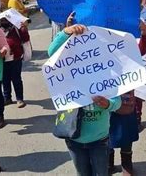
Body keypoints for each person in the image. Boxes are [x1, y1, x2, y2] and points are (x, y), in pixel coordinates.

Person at [48, 24, 121, 176]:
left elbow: (117, 103)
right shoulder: (68, 74)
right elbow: (52, 52)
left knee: (101, 173)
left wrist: (108, 103)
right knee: (82, 173)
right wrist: (65, 32)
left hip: (99, 139)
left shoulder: (106, 75)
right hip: (74, 138)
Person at [0, 17, 29, 109]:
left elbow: (25, 38)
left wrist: (24, 29)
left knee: (16, 79)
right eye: (2, 20)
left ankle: (19, 99)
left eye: (6, 20)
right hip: (2, 59)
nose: (4, 22)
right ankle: (7, 98)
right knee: (5, 79)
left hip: (15, 58)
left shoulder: (17, 28)